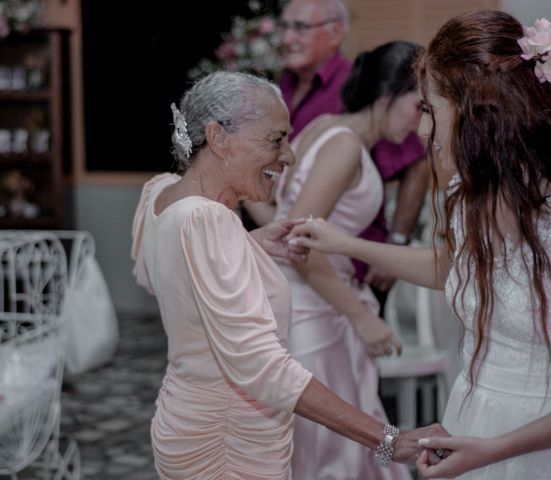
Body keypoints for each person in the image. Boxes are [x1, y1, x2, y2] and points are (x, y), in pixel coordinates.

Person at [288, 10, 551, 479]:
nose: (422, 131)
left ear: (480, 113)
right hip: (473, 422)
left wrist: (498, 449)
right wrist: (346, 243)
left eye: (430, 111)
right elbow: (455, 268)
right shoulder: (467, 197)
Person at [130, 71, 442, 480]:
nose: (289, 156)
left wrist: (248, 244)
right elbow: (263, 367)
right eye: (275, 139)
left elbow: (159, 276)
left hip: (184, 417)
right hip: (229, 440)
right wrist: (389, 439)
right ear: (219, 138)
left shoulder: (161, 191)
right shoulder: (208, 220)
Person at [246, 40, 422, 479]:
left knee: (324, 443)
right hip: (316, 310)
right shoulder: (344, 147)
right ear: (387, 96)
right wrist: (362, 318)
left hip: (305, 301)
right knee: (328, 448)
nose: (422, 121)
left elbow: (281, 220)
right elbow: (301, 245)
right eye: (418, 105)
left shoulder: (324, 126)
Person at [276, 0, 430, 308]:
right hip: (318, 287)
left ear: (335, 33)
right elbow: (294, 228)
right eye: (285, 27)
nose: (287, 38)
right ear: (389, 95)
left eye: (301, 27)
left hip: (345, 273)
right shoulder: (338, 131)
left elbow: (417, 166)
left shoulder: (341, 112)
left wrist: (396, 242)